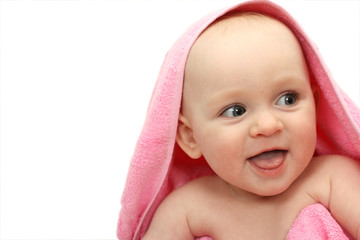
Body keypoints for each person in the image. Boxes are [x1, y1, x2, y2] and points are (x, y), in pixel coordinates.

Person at [141, 12, 360, 240]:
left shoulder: (333, 179)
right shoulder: (186, 210)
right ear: (191, 137)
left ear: (315, 105)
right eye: (235, 111)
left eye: (288, 99)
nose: (268, 125)